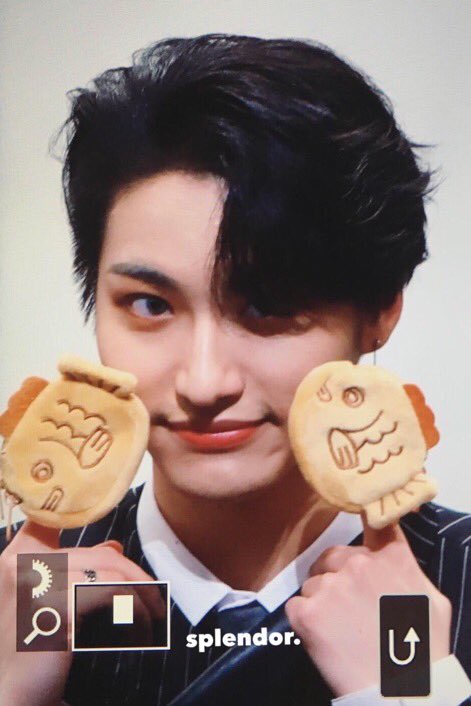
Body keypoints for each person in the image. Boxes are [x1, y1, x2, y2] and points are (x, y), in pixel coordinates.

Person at [0, 33, 470, 706]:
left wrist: (408, 689)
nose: (203, 382)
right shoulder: (21, 598)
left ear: (379, 310)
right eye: (149, 304)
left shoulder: (458, 573)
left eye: (268, 305)